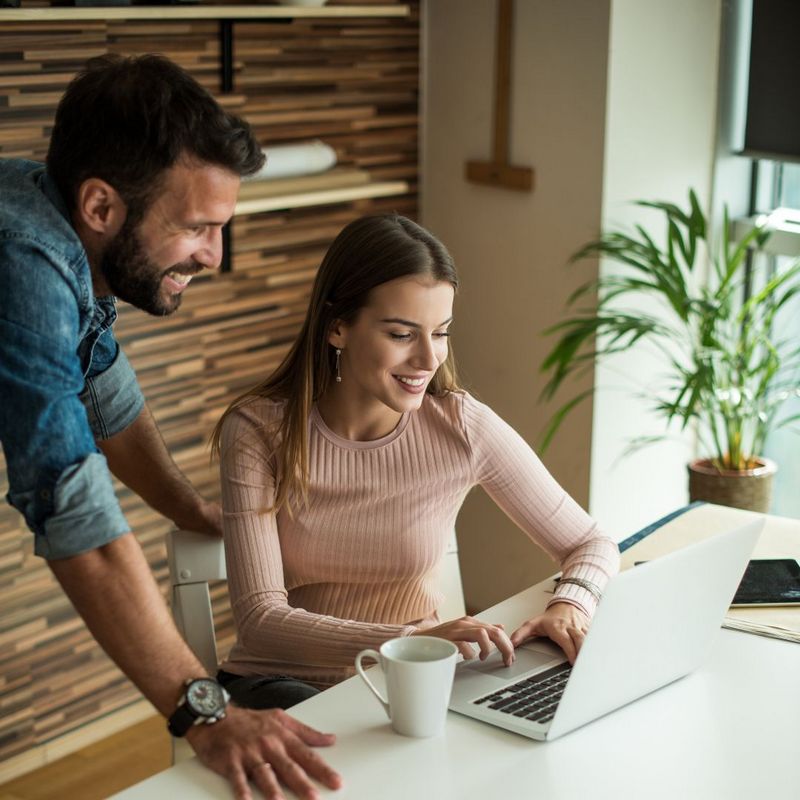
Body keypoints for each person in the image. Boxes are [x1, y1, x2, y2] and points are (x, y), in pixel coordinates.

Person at [0, 54, 341, 800]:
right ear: (101, 207)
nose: (214, 257)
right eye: (197, 228)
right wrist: (204, 712)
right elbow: (69, 504)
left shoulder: (59, 222)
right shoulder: (23, 259)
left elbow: (104, 387)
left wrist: (186, 507)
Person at [213, 214, 620, 709]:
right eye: (402, 334)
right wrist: (412, 641)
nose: (429, 359)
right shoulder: (258, 431)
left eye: (441, 332)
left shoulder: (460, 426)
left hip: (416, 680)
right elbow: (261, 619)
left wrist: (570, 605)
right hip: (282, 684)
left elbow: (590, 542)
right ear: (337, 325)